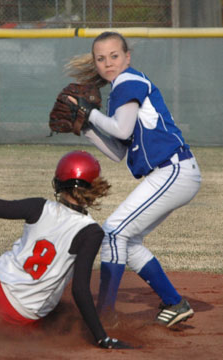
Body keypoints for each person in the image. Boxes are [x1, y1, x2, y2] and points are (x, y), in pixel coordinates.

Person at [0, 124, 132, 349]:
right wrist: (102, 338)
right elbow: (80, 290)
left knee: (19, 288)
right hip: (14, 316)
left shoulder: (39, 206)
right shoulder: (91, 232)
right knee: (62, 320)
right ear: (94, 186)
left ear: (59, 182)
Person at [65, 31, 202, 327]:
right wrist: (87, 128)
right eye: (101, 59)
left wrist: (89, 112)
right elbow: (118, 151)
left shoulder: (129, 81)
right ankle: (174, 302)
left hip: (173, 169)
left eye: (114, 56)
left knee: (114, 231)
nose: (108, 62)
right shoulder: (122, 90)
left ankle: (103, 314)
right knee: (128, 239)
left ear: (127, 57)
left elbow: (122, 130)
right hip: (173, 172)